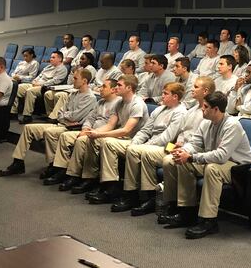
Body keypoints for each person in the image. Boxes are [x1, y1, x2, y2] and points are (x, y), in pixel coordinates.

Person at [162, 91, 251, 238]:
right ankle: (186, 211)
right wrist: (183, 152)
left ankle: (209, 221)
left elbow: (221, 155)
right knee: (175, 161)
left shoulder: (232, 125)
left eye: (205, 107)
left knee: (213, 169)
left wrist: (191, 157)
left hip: (238, 166)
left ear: (216, 109)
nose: (202, 109)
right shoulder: (206, 122)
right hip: (213, 159)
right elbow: (195, 144)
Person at [104, 83, 188, 213]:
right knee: (125, 146)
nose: (162, 96)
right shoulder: (159, 109)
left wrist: (143, 146)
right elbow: (145, 130)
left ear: (175, 97)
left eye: (166, 93)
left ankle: (133, 194)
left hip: (166, 147)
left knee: (135, 150)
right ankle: (116, 188)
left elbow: (167, 138)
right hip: (151, 144)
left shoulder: (180, 112)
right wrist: (136, 142)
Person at [0, 70, 96, 177]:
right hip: (61, 124)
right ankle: (18, 162)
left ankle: (54, 165)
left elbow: (74, 117)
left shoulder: (90, 98)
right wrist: (65, 117)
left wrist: (65, 116)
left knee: (50, 131)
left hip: (72, 129)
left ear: (84, 81)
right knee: (28, 129)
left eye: (76, 78)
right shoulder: (73, 93)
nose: (73, 80)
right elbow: (60, 113)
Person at [149, 76, 215, 222]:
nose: (192, 88)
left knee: (173, 160)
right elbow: (182, 133)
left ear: (205, 91)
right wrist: (176, 146)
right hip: (183, 146)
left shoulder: (208, 112)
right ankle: (172, 203)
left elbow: (202, 142)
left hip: (198, 152)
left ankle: (185, 209)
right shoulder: (191, 110)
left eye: (196, 87)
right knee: (169, 159)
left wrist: (183, 149)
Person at [85, 75, 150, 204]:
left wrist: (100, 135)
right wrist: (94, 132)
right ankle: (96, 180)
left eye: (119, 85)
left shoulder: (137, 104)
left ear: (129, 88)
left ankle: (111, 187)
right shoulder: (120, 102)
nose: (116, 88)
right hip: (122, 138)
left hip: (134, 140)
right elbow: (110, 125)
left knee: (107, 142)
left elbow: (126, 130)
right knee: (92, 139)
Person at [53, 79, 121, 192]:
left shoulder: (118, 103)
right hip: (89, 130)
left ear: (113, 90)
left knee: (81, 140)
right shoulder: (100, 102)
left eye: (104, 86)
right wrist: (85, 128)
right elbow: (90, 118)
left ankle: (79, 176)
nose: (100, 89)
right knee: (65, 136)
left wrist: (89, 132)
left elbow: (112, 126)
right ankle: (61, 169)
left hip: (102, 134)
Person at [11, 51, 67, 124]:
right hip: (35, 84)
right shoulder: (48, 67)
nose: (51, 59)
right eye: (51, 57)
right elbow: (40, 76)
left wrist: (40, 84)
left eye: (53, 57)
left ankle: (27, 116)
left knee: (30, 91)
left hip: (46, 87)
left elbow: (55, 81)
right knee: (16, 87)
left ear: (60, 59)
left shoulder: (62, 69)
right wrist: (34, 81)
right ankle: (13, 112)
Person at [44, 53, 97, 120]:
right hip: (72, 88)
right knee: (48, 94)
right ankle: (50, 114)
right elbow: (69, 82)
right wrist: (72, 72)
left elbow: (87, 83)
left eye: (83, 59)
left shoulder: (90, 69)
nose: (80, 60)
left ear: (89, 61)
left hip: (77, 89)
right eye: (80, 58)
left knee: (61, 95)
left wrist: (63, 115)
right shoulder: (79, 69)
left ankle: (53, 117)